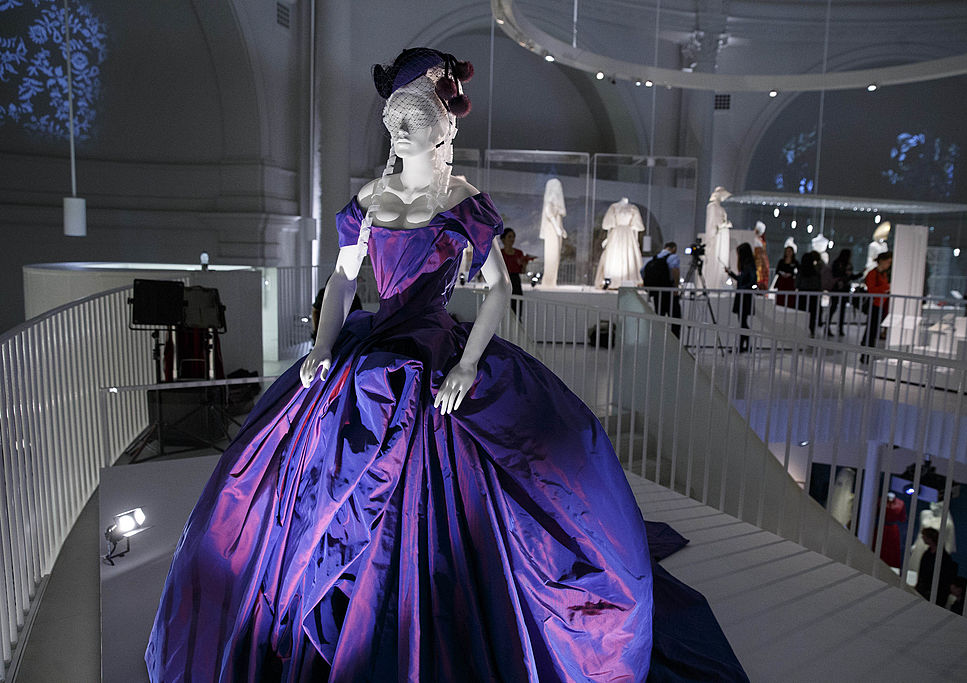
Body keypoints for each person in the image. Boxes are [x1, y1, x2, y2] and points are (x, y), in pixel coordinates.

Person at [145, 47, 745, 682]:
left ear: (444, 125)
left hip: (435, 353)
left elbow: (498, 289)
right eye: (396, 117)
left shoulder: (462, 201)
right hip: (369, 351)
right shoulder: (368, 199)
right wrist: (321, 347)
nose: (403, 129)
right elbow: (344, 282)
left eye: (417, 115)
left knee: (490, 470)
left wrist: (468, 364)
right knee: (298, 485)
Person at [860, 251, 892, 364]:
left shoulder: (883, 274)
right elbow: (872, 290)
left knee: (873, 331)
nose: (889, 265)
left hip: (880, 305)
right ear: (882, 261)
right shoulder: (873, 274)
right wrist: (886, 287)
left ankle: (867, 354)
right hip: (874, 305)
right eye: (888, 262)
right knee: (871, 330)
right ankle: (865, 354)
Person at [915, 527, 959, 608]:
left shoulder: (944, 557)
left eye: (924, 536)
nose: (922, 538)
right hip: (924, 590)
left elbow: (946, 576)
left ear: (930, 538)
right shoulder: (927, 554)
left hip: (937, 593)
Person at [725, 243, 757, 352]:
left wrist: (743, 288)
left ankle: (743, 345)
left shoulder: (749, 266)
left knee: (743, 321)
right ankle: (744, 345)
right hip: (743, 295)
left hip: (745, 296)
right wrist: (731, 274)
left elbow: (752, 281)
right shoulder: (747, 265)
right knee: (742, 321)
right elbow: (743, 279)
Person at [825, 248, 861, 337]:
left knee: (837, 309)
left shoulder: (841, 264)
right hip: (839, 288)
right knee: (835, 308)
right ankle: (833, 328)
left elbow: (849, 276)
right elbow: (841, 275)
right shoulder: (840, 264)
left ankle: (836, 328)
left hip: (841, 288)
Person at [499, 227, 534, 316]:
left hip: (515, 281)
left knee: (516, 308)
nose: (512, 239)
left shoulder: (519, 253)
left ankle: (516, 322)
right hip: (503, 281)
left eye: (513, 237)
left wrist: (524, 264)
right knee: (502, 307)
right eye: (509, 237)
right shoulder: (500, 253)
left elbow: (522, 271)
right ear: (503, 239)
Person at [796, 251, 822, 338]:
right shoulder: (815, 271)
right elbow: (818, 284)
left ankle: (801, 329)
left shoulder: (801, 270)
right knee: (812, 313)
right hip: (814, 294)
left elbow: (797, 283)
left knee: (802, 312)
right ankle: (811, 330)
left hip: (803, 294)